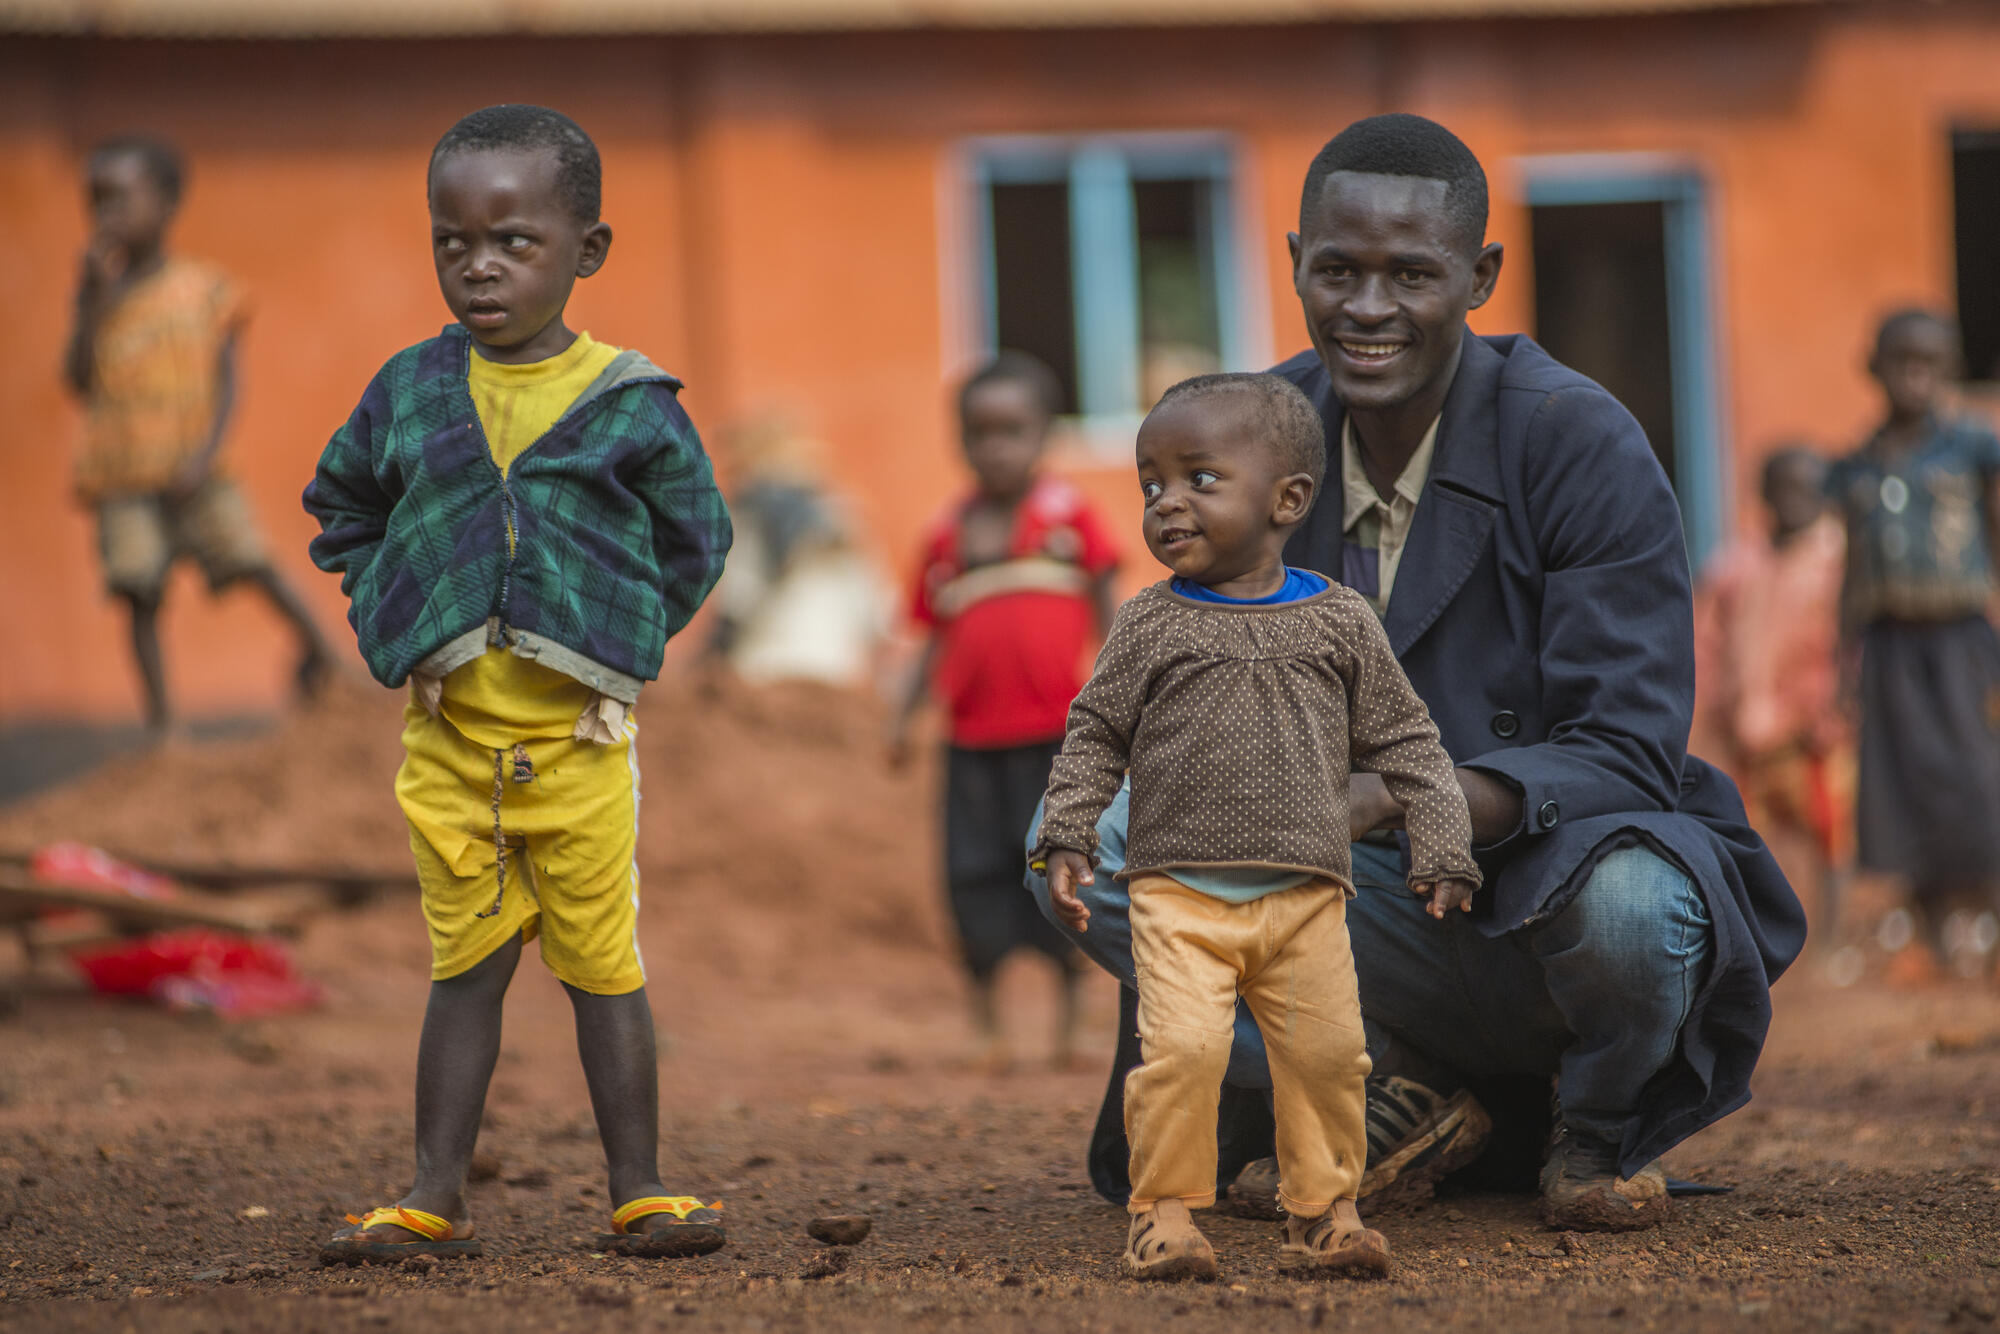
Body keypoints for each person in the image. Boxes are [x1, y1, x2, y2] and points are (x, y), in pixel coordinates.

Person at [1027, 113, 1804, 1234]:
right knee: (1088, 844)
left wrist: (1399, 790)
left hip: (1547, 884)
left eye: (1411, 273)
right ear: (1292, 258)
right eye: (1336, 269)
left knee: (1641, 910)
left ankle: (1589, 1125)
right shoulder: (1253, 434)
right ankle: (1387, 1091)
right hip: (1351, 906)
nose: (1368, 307)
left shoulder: (1573, 439)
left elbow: (1628, 743)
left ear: (1479, 274)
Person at [302, 105, 733, 1263]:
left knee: (604, 965)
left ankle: (639, 1187)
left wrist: (619, 629)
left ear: (585, 250)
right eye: (453, 241)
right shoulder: (409, 389)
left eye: (513, 242)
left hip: (583, 744)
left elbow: (696, 536)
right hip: (448, 743)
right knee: (465, 965)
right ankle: (430, 1192)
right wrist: (391, 598)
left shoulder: (630, 401)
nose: (478, 265)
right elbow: (342, 503)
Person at [1036, 372, 1480, 1280]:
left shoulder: (1341, 622)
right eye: (1150, 483)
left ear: (1288, 500)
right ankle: (1163, 1216)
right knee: (1185, 1055)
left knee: (1327, 1058)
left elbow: (1409, 742)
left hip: (1309, 903)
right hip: (1178, 898)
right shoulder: (1149, 624)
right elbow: (1094, 732)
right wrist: (1070, 832)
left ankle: (1327, 1214)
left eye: (1200, 478)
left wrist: (1442, 842)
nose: (1167, 504)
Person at [889, 352, 1119, 1073]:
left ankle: (1070, 1026)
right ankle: (988, 1027)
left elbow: (1107, 606)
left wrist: (1122, 696)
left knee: (1064, 867)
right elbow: (931, 639)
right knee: (973, 874)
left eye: (1013, 430)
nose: (997, 447)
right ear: (959, 440)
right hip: (971, 745)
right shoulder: (947, 537)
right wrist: (903, 717)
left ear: (1045, 434)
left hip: (1057, 742)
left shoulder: (1068, 519)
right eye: (980, 432)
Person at [63, 134, 330, 735]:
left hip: (197, 472)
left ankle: (333, 665)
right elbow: (78, 378)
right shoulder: (101, 299)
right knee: (139, 589)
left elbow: (229, 382)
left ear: (165, 203)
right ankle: (163, 726)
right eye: (95, 201)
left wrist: (205, 454)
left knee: (251, 559)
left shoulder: (204, 290)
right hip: (123, 477)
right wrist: (87, 303)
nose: (105, 216)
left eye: (118, 199)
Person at [1826, 309, 2000, 979]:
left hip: (1961, 638)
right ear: (1876, 369)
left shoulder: (1972, 450)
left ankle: (1983, 913)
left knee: (1975, 772)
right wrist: (1845, 662)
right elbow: (1849, 571)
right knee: (1903, 777)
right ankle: (1932, 928)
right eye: (1902, 363)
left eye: (1930, 365)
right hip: (1890, 643)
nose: (1916, 378)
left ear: (1948, 370)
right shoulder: (1857, 467)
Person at [1695, 447, 1851, 933]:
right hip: (1751, 732)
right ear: (1762, 495)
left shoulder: (1837, 564)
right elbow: (1709, 642)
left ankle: (1833, 933)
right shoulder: (1736, 565)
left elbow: (1852, 647)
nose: (1794, 501)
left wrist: (1834, 710)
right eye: (1782, 489)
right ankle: (1764, 936)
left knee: (1831, 831)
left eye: (1807, 489)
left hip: (1815, 735)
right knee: (1750, 835)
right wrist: (1718, 707)